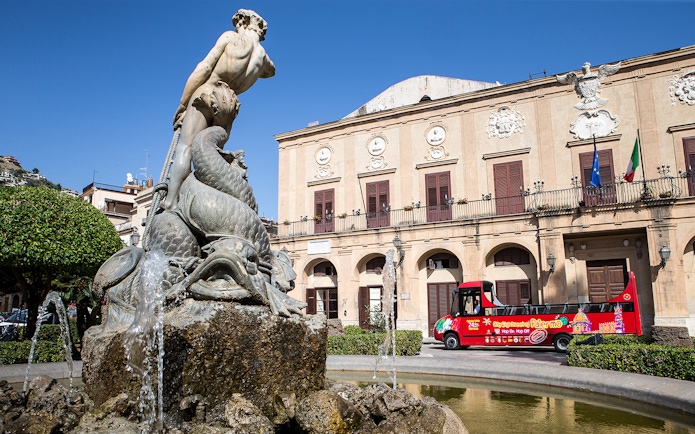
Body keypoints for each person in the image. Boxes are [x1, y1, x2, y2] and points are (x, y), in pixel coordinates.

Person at [164, 9, 276, 210]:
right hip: (230, 103)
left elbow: (204, 68)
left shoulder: (230, 38)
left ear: (241, 23)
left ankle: (171, 202)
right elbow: (271, 72)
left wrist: (182, 104)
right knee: (211, 156)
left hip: (209, 92)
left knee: (187, 148)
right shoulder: (262, 57)